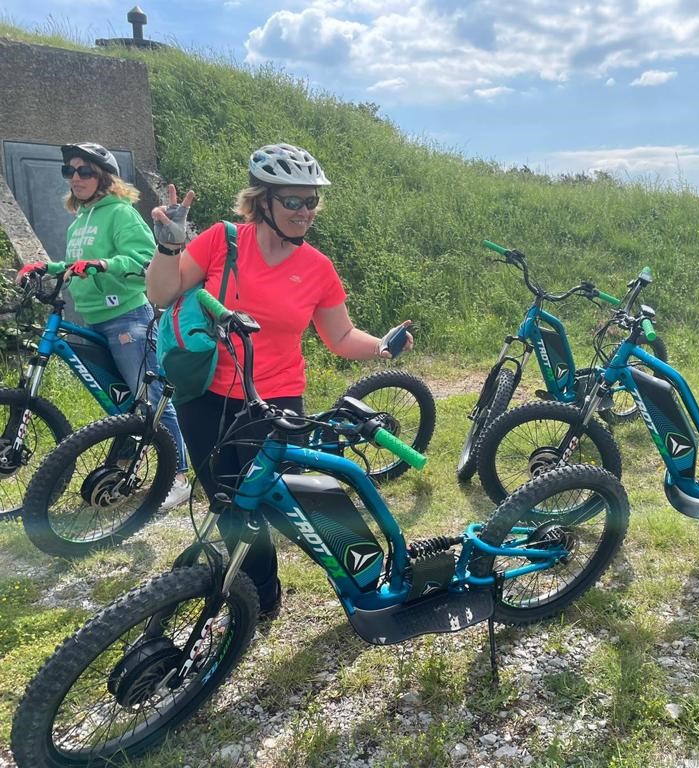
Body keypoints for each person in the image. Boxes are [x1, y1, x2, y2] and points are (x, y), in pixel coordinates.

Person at [146, 142, 412, 620]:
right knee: (225, 500)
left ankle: (321, 577)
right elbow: (163, 292)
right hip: (203, 394)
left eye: (311, 202)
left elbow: (340, 335)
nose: (306, 212)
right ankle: (257, 593)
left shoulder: (317, 268)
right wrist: (169, 245)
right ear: (262, 200)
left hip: (273, 400)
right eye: (294, 201)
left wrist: (381, 348)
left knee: (270, 501)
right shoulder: (222, 241)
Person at [20, 142, 192, 509]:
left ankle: (178, 476)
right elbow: (73, 265)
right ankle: (131, 463)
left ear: (104, 178)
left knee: (152, 398)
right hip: (95, 319)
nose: (76, 178)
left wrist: (104, 264)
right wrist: (44, 268)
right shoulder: (81, 220)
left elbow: (144, 259)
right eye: (70, 171)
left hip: (127, 317)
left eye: (85, 171)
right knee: (124, 402)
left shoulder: (121, 214)